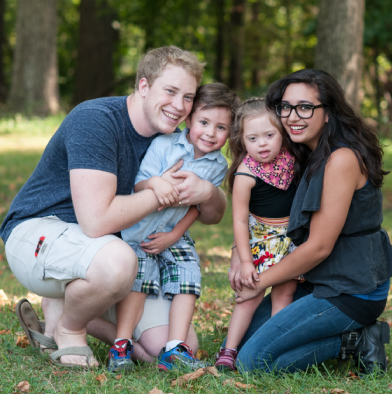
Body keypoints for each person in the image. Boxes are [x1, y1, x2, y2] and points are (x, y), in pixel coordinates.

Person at [1, 46, 227, 368]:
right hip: (41, 232)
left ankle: (64, 310)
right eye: (171, 91)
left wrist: (208, 192)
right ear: (144, 86)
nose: (179, 106)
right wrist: (161, 192)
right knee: (119, 261)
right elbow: (95, 221)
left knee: (169, 347)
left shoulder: (176, 140)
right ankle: (70, 329)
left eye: (188, 97)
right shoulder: (97, 120)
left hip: (105, 251)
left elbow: (213, 216)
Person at [229, 69, 392, 375]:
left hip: (352, 289)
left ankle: (358, 339)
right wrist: (239, 259)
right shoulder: (303, 153)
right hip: (320, 280)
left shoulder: (341, 159)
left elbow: (319, 247)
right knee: (246, 340)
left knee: (253, 363)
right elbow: (257, 217)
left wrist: (258, 283)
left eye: (305, 107)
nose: (293, 116)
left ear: (328, 113)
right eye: (286, 107)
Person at [108, 83, 240, 372]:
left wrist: (175, 235)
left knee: (188, 274)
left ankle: (176, 347)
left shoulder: (218, 165)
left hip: (174, 233)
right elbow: (138, 184)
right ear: (190, 120)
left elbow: (196, 207)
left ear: (229, 133)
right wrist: (156, 183)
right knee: (139, 278)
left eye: (220, 128)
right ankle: (121, 344)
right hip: (139, 232)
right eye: (204, 123)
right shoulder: (164, 144)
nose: (210, 133)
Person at [214, 98, 298, 371]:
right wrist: (246, 260)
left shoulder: (294, 160)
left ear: (282, 134)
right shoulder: (245, 174)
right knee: (249, 295)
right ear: (241, 141)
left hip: (293, 239)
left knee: (285, 292)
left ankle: (274, 344)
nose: (262, 143)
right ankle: (229, 350)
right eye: (253, 138)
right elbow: (239, 221)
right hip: (262, 240)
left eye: (269, 135)